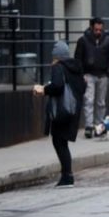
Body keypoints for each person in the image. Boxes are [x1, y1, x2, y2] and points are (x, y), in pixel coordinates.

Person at [33, 41, 86, 187]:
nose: (52, 59)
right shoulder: (75, 67)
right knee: (62, 142)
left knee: (59, 142)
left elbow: (57, 86)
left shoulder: (58, 67)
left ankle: (67, 176)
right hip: (72, 109)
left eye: (53, 56)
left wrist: (43, 90)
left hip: (61, 110)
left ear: (57, 56)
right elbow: (82, 86)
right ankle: (67, 175)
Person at [75, 17, 109, 138]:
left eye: (100, 30)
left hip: (103, 74)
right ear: (91, 28)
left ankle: (99, 126)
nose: (98, 32)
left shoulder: (108, 41)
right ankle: (89, 126)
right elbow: (78, 59)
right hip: (89, 74)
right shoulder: (83, 41)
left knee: (101, 102)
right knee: (89, 100)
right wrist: (81, 74)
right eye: (96, 30)